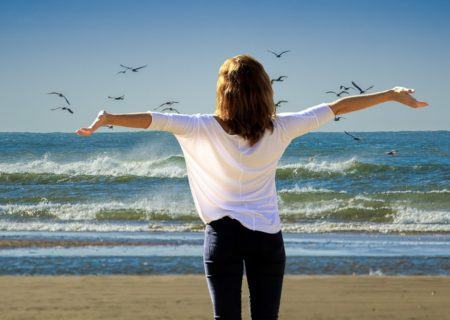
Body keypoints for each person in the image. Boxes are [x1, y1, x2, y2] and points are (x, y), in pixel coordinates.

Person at [76, 54, 428, 320]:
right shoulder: (283, 126)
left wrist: (109, 119)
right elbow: (338, 106)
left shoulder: (198, 127)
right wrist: (391, 95)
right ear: (265, 90)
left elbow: (153, 119)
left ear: (222, 91)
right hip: (267, 238)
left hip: (222, 237)